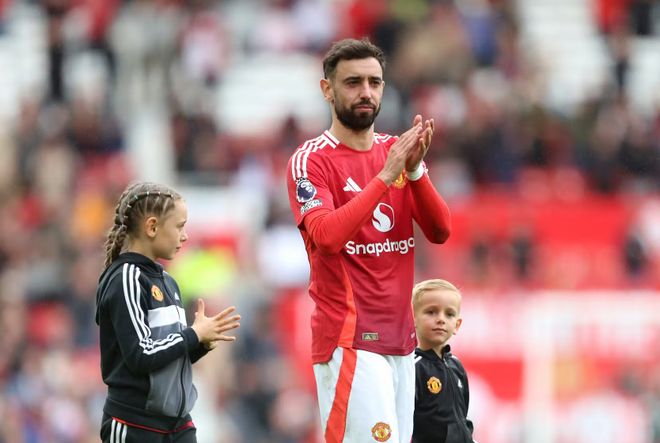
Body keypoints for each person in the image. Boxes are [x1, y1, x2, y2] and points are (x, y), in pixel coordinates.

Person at [285, 38, 452, 443]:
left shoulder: (397, 151)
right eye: (353, 82)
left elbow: (440, 231)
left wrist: (414, 172)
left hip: (401, 342)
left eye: (374, 83)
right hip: (350, 342)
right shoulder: (312, 159)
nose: (366, 92)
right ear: (327, 90)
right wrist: (385, 176)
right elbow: (327, 237)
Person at [95, 182, 241, 443]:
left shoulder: (168, 281)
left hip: (178, 425)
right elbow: (141, 355)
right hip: (136, 424)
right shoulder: (127, 278)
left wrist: (201, 343)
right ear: (152, 227)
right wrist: (193, 335)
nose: (185, 236)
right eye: (179, 226)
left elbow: (168, 358)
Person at [412, 279, 475, 443]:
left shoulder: (456, 366)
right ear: (412, 318)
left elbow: (462, 416)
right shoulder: (413, 368)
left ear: (457, 325)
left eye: (449, 314)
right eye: (431, 312)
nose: (441, 319)